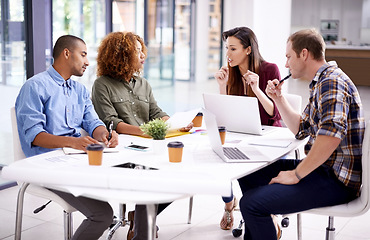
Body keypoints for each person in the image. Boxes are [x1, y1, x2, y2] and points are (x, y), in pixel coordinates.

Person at [237, 28, 365, 240]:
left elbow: (331, 136)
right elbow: (301, 128)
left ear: (304, 54)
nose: (286, 64)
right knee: (249, 172)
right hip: (324, 170)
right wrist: (278, 98)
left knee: (250, 204)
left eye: (288, 57)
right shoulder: (321, 82)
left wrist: (295, 175)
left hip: (335, 181)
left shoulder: (331, 82)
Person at [15, 35, 119, 240]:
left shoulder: (79, 90)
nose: (88, 62)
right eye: (83, 55)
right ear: (66, 53)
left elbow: (92, 123)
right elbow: (35, 136)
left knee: (129, 177)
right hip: (46, 165)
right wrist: (74, 142)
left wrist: (105, 134)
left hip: (75, 159)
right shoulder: (34, 87)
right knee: (102, 214)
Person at [91, 31, 191, 240]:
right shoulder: (102, 84)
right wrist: (148, 131)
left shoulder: (143, 84)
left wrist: (174, 123)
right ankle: (144, 222)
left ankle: (140, 215)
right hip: (124, 151)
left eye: (141, 50)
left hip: (149, 148)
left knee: (181, 176)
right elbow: (111, 122)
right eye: (137, 52)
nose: (143, 56)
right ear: (122, 55)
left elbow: (156, 112)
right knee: (157, 179)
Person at [213, 26, 282, 230]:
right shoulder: (230, 72)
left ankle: (261, 210)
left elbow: (274, 113)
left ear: (248, 50)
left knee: (244, 164)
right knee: (216, 159)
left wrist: (256, 88)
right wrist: (222, 86)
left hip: (267, 135)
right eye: (227, 48)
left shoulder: (270, 69)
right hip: (241, 135)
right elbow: (225, 114)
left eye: (233, 49)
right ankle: (230, 204)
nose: (228, 54)